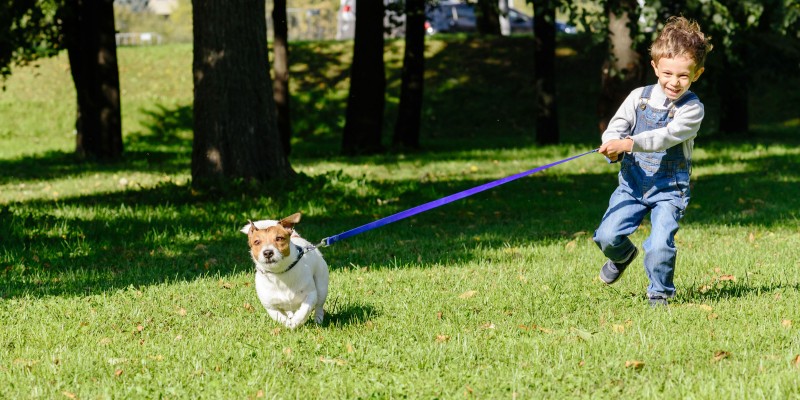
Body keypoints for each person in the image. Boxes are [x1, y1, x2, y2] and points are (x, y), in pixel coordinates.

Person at [594, 16, 713, 307]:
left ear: (697, 74)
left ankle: (659, 292)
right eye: (668, 73)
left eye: (684, 76)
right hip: (633, 185)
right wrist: (612, 143)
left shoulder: (692, 109)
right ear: (655, 67)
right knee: (606, 236)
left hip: (669, 189)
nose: (674, 82)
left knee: (660, 245)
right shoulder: (639, 97)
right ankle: (622, 255)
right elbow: (617, 125)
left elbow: (665, 137)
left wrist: (629, 144)